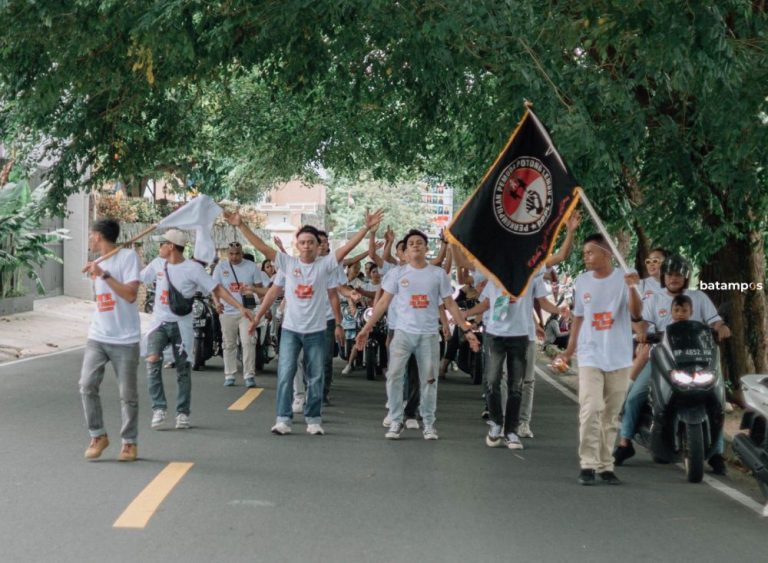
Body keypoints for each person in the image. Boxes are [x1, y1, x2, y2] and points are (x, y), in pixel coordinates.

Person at [228, 209, 383, 436]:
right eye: (303, 242)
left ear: (318, 246)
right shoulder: (287, 263)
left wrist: (366, 229)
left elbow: (346, 250)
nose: (307, 246)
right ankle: (283, 419)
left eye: (311, 242)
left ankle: (313, 419)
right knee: (286, 374)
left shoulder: (325, 265)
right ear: (297, 245)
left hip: (316, 331)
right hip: (291, 330)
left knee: (316, 375)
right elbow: (263, 254)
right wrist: (241, 225)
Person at [356, 229, 480, 441]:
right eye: (411, 243)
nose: (415, 245)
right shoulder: (397, 274)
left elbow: (450, 304)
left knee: (429, 380)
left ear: (426, 248)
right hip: (403, 334)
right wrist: (366, 328)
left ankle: (429, 424)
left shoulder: (437, 274)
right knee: (394, 376)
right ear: (405, 252)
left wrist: (467, 330)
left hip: (428, 336)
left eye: (419, 242)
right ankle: (396, 420)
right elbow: (383, 303)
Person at [613, 255, 730, 473]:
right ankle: (625, 443)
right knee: (635, 397)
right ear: (663, 277)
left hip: (699, 359)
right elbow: (643, 324)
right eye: (669, 275)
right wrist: (642, 334)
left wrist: (721, 327)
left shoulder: (699, 297)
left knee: (717, 401)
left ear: (686, 277)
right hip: (662, 359)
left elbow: (715, 321)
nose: (673, 279)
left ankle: (716, 453)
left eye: (678, 275)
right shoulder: (654, 299)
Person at [141, 229, 253, 430]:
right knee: (152, 361)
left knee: (183, 369)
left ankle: (182, 413)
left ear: (171, 246)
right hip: (159, 324)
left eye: (162, 243)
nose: (159, 247)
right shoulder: (157, 264)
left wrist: (240, 307)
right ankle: (159, 408)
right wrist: (107, 272)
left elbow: (216, 289)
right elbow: (136, 278)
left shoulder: (193, 269)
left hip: (181, 326)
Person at [555, 233, 643, 486]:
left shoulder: (626, 277)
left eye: (590, 252)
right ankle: (588, 464)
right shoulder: (583, 281)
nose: (586, 257)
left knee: (611, 414)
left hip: (619, 356)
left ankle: (606, 466)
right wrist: (569, 351)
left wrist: (633, 288)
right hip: (590, 354)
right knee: (591, 408)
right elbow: (579, 319)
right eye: (584, 253)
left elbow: (636, 313)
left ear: (607, 253)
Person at [463, 275, 556, 450]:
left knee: (516, 386)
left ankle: (511, 431)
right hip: (495, 335)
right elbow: (487, 303)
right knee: (492, 380)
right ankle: (497, 423)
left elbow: (541, 302)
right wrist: (466, 314)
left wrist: (559, 311)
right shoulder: (494, 277)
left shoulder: (530, 277)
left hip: (519, 335)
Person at [79, 219, 142, 462]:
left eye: (91, 235)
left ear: (98, 236)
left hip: (125, 338)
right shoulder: (98, 262)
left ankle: (129, 442)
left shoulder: (128, 258)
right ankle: (98, 435)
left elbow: (130, 295)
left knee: (128, 394)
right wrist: (98, 270)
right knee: (86, 384)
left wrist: (104, 275)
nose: (89, 239)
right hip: (98, 335)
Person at [212, 242, 268, 388]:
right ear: (227, 254)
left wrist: (253, 292)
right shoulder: (220, 267)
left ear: (242, 253)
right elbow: (215, 289)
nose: (234, 257)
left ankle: (249, 375)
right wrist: (217, 303)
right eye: (231, 254)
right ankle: (229, 374)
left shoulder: (251, 267)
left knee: (248, 342)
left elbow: (260, 290)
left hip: (247, 312)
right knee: (228, 343)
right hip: (227, 312)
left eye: (237, 254)